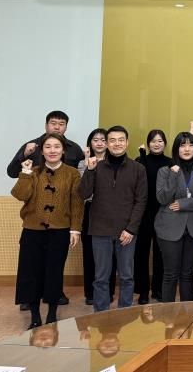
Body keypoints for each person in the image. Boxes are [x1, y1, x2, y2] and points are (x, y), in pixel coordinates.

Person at [8, 110, 84, 308]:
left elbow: (77, 193)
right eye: (53, 123)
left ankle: (53, 295)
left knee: (54, 264)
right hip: (35, 217)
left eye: (61, 123)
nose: (57, 126)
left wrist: (75, 228)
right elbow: (12, 173)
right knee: (30, 264)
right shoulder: (31, 147)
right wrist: (24, 158)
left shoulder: (75, 150)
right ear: (46, 125)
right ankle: (30, 298)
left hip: (60, 218)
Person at [79, 126, 147, 312]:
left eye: (121, 140)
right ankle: (100, 315)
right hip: (100, 230)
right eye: (112, 140)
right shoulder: (96, 167)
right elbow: (83, 193)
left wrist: (131, 229)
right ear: (107, 144)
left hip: (126, 232)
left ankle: (124, 314)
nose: (117, 144)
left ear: (127, 142)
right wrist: (89, 170)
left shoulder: (138, 168)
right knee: (101, 277)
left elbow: (141, 201)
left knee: (127, 276)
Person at [155, 132, 193, 302]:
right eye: (182, 145)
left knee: (188, 274)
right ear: (176, 148)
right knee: (170, 274)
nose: (187, 149)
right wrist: (173, 175)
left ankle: (186, 314)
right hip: (169, 228)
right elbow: (162, 198)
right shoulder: (165, 171)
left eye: (191, 145)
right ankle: (169, 315)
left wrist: (185, 204)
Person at [78, 129, 116, 306]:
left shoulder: (114, 162)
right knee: (89, 253)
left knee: (110, 254)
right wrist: (88, 165)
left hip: (111, 210)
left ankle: (108, 291)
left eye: (103, 140)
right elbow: (83, 190)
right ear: (90, 143)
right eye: (95, 140)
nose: (99, 143)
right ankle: (90, 292)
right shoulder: (83, 162)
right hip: (90, 209)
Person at [134, 129, 171, 304]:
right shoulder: (140, 161)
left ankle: (158, 289)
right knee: (141, 253)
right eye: (153, 141)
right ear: (148, 144)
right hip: (143, 213)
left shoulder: (171, 163)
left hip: (164, 213)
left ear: (165, 143)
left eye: (160, 141)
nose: (157, 144)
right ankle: (143, 291)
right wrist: (142, 155)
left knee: (161, 253)